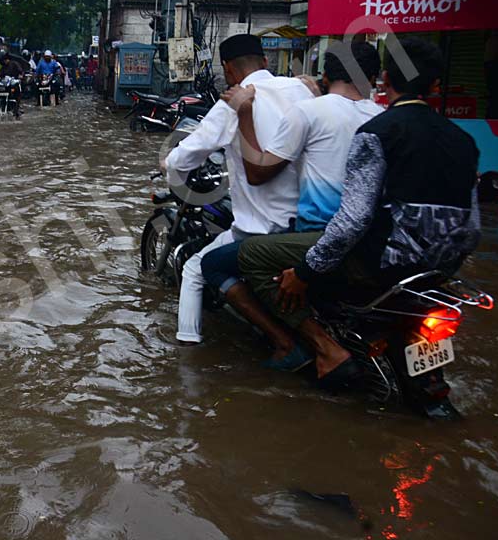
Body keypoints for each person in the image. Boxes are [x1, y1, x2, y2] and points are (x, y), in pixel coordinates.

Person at [236, 37, 481, 388]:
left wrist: (304, 272)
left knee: (253, 255)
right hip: (438, 272)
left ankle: (325, 349)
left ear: (385, 78)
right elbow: (472, 229)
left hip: (381, 265)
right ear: (436, 85)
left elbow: (353, 221)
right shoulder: (463, 140)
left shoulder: (377, 132)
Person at [200, 42, 384, 370]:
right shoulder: (384, 117)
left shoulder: (311, 111)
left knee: (217, 263)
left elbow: (257, 172)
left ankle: (300, 344)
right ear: (375, 78)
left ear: (326, 75)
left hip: (319, 237)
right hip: (374, 243)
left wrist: (244, 112)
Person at [164, 34, 315, 347]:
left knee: (195, 269)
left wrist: (169, 165)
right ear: (264, 61)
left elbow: (190, 150)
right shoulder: (301, 89)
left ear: (228, 70)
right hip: (308, 223)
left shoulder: (234, 103)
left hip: (262, 229)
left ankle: (186, 352)